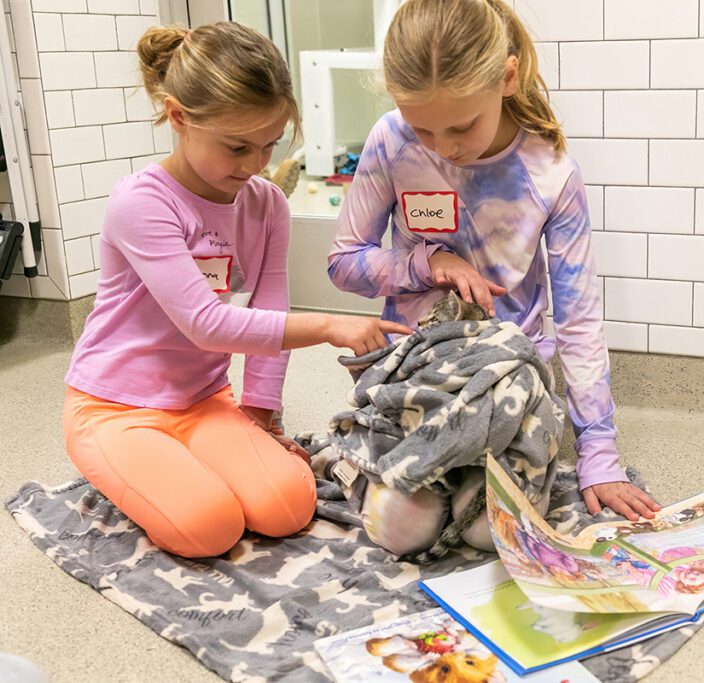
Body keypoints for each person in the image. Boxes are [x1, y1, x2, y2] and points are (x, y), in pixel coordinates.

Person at [62, 22, 411, 559]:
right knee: (211, 527)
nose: (254, 165)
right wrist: (327, 326)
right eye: (237, 147)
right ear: (179, 117)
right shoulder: (142, 203)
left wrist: (260, 415)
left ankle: (183, 463)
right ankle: (134, 463)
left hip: (203, 401)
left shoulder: (266, 203)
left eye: (269, 145)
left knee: (288, 506)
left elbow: (270, 306)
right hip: (116, 406)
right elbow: (206, 323)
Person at [327, 0, 660, 556]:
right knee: (400, 531)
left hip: (510, 383)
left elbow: (578, 319)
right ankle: (392, 465)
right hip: (419, 370)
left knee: (489, 534)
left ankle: (444, 473)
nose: (445, 148)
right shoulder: (390, 141)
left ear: (506, 78)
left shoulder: (550, 173)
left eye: (460, 126)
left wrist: (598, 451)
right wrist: (426, 263)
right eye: (423, 129)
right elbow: (344, 262)